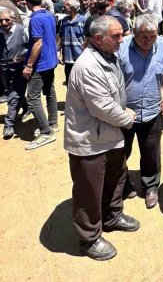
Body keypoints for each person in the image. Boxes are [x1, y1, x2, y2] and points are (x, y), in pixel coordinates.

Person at [64, 16, 140, 261]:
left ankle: (111, 217)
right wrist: (127, 118)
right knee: (89, 191)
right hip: (90, 140)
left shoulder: (108, 56)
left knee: (115, 178)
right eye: (116, 36)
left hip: (110, 135)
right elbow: (102, 107)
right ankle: (89, 238)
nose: (122, 39)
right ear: (98, 39)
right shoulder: (88, 66)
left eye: (122, 34)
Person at [117, 14, 163, 209]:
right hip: (123, 113)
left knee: (151, 151)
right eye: (144, 37)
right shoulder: (121, 46)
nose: (149, 41)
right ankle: (122, 185)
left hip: (152, 110)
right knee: (121, 151)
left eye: (153, 36)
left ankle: (151, 186)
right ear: (134, 33)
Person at [22, 0, 60, 150]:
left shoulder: (35, 19)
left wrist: (29, 65)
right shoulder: (49, 15)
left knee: (32, 97)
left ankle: (46, 132)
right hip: (50, 59)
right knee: (49, 91)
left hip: (40, 63)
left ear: (27, 3)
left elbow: (38, 43)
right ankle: (52, 122)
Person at [0, 9, 29, 140]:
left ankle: (9, 125)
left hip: (19, 69)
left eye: (7, 20)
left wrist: (23, 56)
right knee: (11, 90)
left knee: (13, 96)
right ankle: (26, 106)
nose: (4, 22)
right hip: (4, 68)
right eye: (1, 20)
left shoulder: (23, 30)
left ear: (13, 19)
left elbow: (30, 46)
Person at [58, 0, 87, 83]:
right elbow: (61, 37)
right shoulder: (64, 21)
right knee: (69, 81)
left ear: (73, 7)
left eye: (66, 5)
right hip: (68, 57)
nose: (64, 6)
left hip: (80, 57)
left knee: (81, 82)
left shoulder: (83, 20)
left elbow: (87, 38)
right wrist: (60, 52)